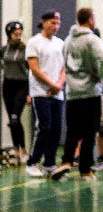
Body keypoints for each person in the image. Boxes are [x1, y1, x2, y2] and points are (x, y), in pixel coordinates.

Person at [60, 8, 103, 180]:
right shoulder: (92, 39)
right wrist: (100, 74)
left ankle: (66, 162)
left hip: (72, 93)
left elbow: (64, 62)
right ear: (90, 19)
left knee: (73, 131)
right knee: (90, 131)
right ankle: (85, 170)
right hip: (90, 92)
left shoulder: (67, 40)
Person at [25, 10, 70, 180]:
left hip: (57, 93)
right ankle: (32, 162)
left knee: (56, 129)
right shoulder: (34, 42)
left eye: (58, 23)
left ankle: (50, 164)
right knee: (44, 127)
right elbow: (34, 68)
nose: (56, 26)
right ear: (44, 22)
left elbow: (64, 68)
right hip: (40, 92)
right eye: (52, 22)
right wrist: (52, 85)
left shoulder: (61, 43)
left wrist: (59, 84)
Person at [0, 21, 29, 164]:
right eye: (15, 34)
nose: (18, 36)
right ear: (9, 34)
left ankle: (23, 150)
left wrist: (30, 93)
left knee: (15, 116)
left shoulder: (26, 49)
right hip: (7, 85)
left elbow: (31, 70)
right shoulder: (4, 49)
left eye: (20, 34)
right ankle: (16, 151)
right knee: (12, 121)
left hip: (22, 85)